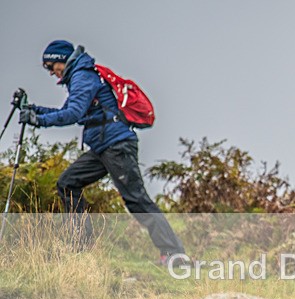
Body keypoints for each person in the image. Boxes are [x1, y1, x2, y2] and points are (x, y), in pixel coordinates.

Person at [19, 40, 185, 264]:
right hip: (103, 146)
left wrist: (38, 120)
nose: (51, 73)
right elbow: (68, 110)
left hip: (116, 145)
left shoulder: (83, 76)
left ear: (61, 60)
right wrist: (33, 110)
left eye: (51, 66)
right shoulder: (80, 76)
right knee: (68, 183)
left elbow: (73, 114)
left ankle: (175, 254)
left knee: (136, 199)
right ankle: (80, 247)